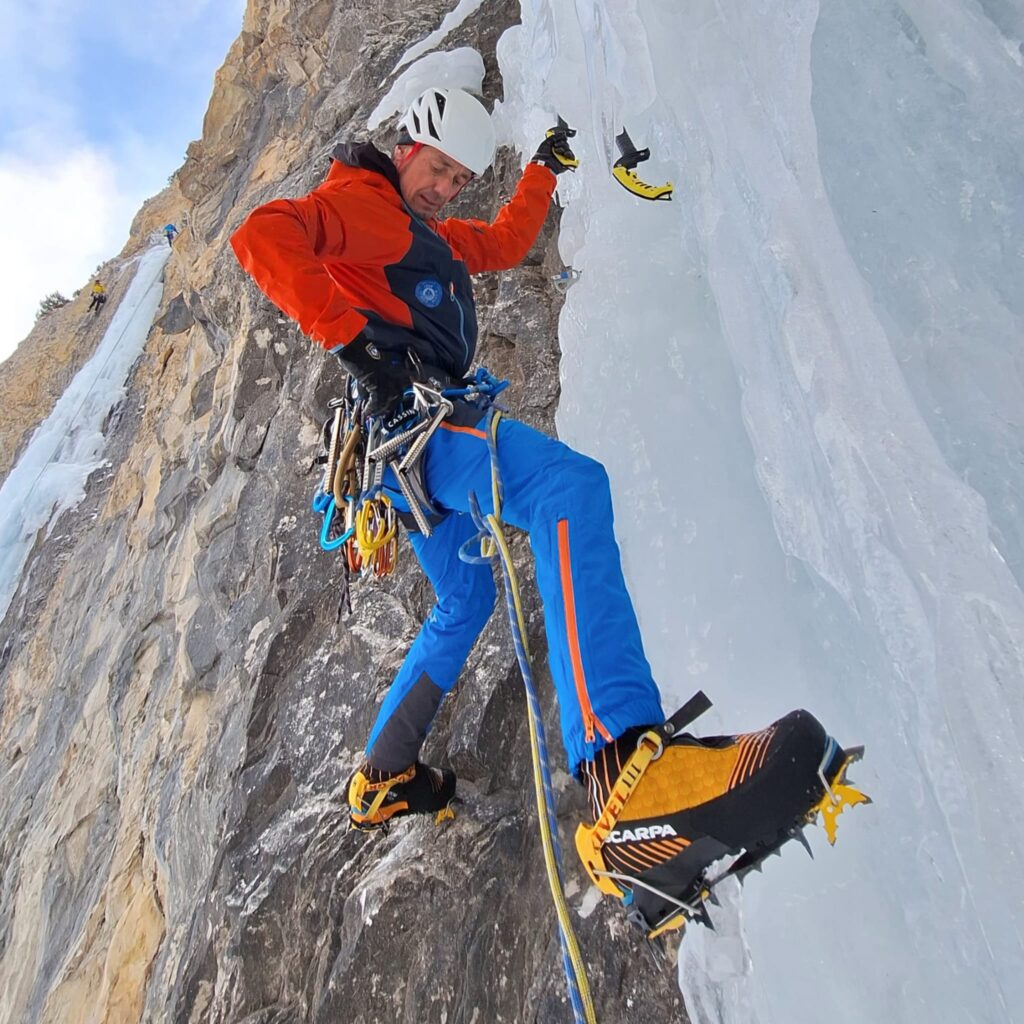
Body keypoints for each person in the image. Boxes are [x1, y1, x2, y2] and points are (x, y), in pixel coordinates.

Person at [230, 87, 862, 932]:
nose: (447, 187)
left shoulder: (430, 234)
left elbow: (500, 242)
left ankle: (384, 774)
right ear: (407, 145)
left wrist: (541, 172)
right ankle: (624, 777)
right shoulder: (358, 203)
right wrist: (354, 340)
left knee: (466, 598)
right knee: (569, 488)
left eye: (459, 178)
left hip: (403, 454)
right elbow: (263, 234)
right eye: (441, 169)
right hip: (427, 426)